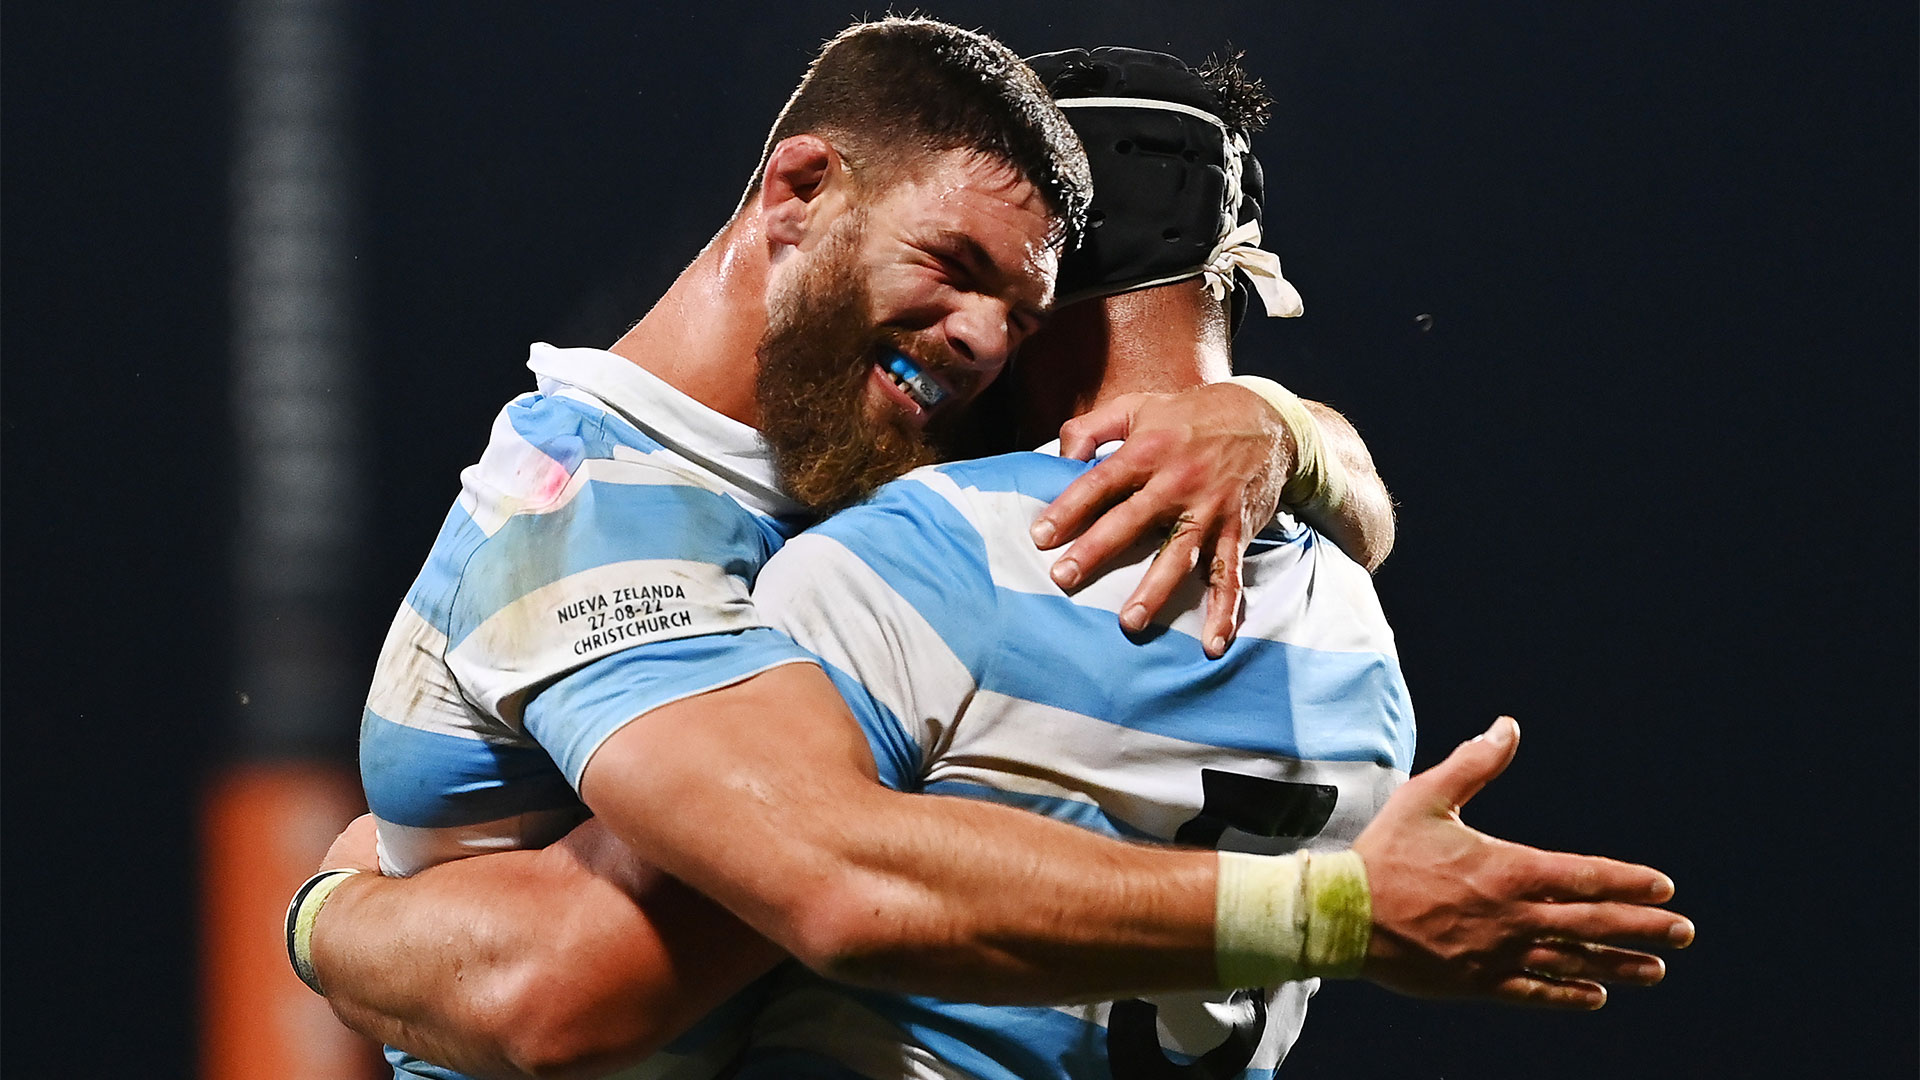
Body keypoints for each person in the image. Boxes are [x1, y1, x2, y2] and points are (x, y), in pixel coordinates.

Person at [294, 39, 1692, 1080]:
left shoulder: (895, 544)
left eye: (1015, 310)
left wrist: (327, 912)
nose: (973, 338)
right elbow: (619, 966)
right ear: (801, 188)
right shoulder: (1349, 621)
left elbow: (595, 975)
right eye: (951, 263)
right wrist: (1286, 425)